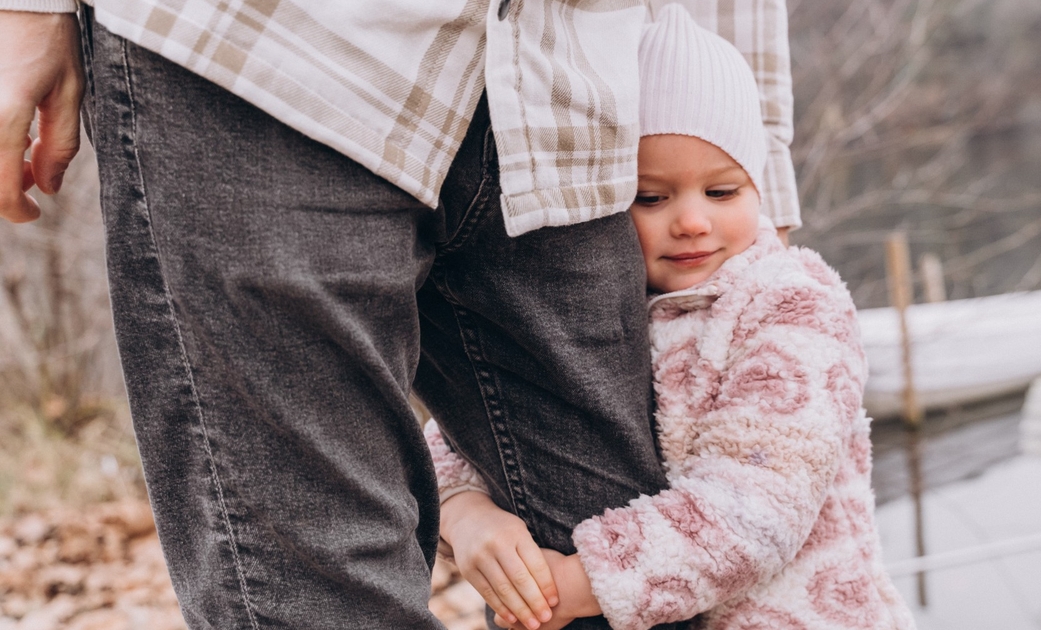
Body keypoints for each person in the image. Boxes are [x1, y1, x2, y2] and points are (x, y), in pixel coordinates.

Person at [0, 0, 800, 628]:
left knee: (622, 557)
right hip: (266, 54)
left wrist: (761, 166)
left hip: (575, 87)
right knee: (317, 589)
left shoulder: (773, 296)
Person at [425, 7, 917, 629]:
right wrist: (464, 512)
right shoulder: (603, 304)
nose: (691, 221)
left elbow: (754, 512)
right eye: (651, 197)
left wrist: (579, 586)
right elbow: (477, 414)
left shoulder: (794, 309)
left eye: (722, 191)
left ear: (757, 187)